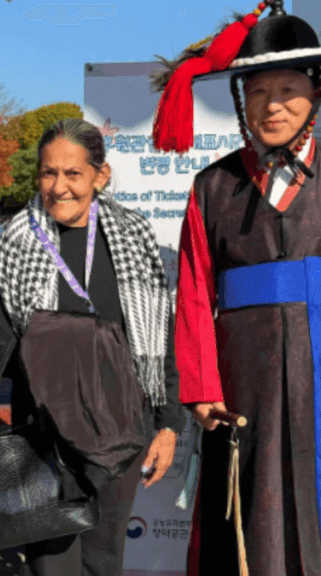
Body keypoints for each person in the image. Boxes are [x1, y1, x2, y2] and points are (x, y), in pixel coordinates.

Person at [155, 2, 321, 573]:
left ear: (316, 94)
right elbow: (195, 292)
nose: (272, 105)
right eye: (257, 91)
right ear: (240, 100)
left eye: (288, 88)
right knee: (251, 502)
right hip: (242, 378)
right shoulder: (212, 187)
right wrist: (201, 385)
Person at [0, 118, 183, 576]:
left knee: (105, 560)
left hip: (122, 433)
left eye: (73, 173)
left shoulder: (134, 236)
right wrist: (63, 356)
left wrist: (168, 425)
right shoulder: (19, 240)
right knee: (49, 564)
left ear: (101, 175)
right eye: (48, 173)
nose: (59, 187)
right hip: (44, 434)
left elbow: (161, 340)